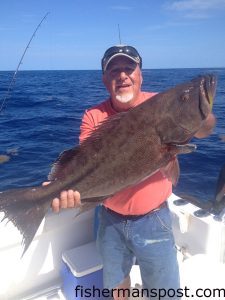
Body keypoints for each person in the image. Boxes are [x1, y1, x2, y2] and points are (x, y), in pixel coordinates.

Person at [47, 45, 215, 300]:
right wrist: (59, 188)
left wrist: (201, 114)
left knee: (164, 292)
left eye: (129, 68)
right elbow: (84, 163)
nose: (122, 75)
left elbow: (205, 130)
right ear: (105, 79)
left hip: (154, 220)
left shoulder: (160, 103)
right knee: (116, 285)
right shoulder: (93, 116)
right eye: (114, 70)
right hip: (109, 220)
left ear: (140, 75)